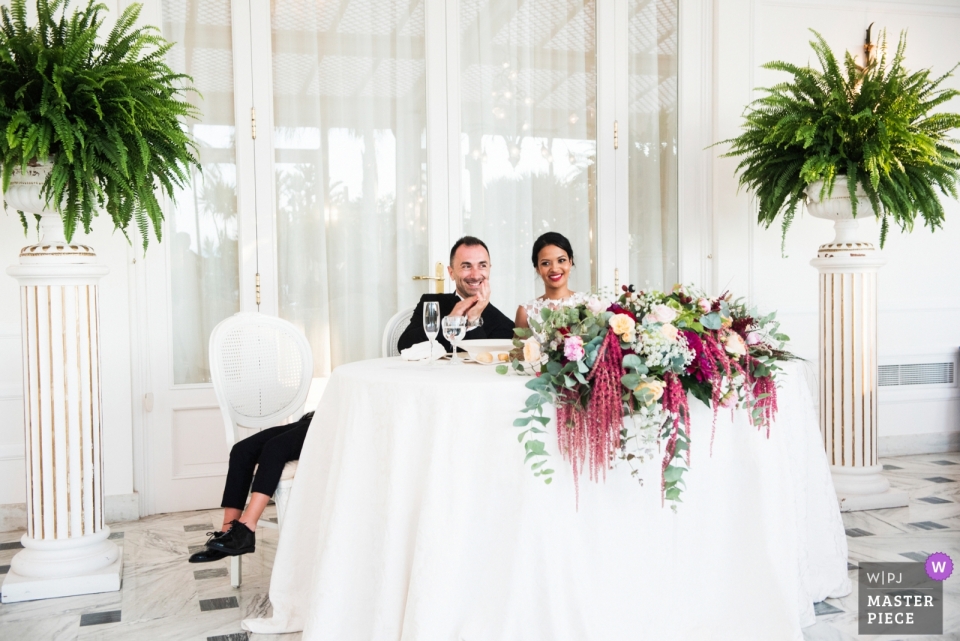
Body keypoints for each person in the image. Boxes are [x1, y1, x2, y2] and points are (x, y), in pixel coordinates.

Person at [188, 411, 314, 563]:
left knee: (275, 448)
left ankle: (246, 529)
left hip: (334, 425)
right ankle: (227, 532)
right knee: (241, 450)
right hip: (316, 417)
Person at [397, 236, 514, 352]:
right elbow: (404, 346)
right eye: (466, 266)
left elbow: (483, 363)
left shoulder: (504, 324)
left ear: (489, 269)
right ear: (451, 273)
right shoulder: (431, 303)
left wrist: (473, 321)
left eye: (482, 266)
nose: (475, 275)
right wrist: (450, 321)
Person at [515, 231, 589, 328]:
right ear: (537, 268)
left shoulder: (588, 305)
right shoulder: (525, 312)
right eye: (546, 263)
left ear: (570, 262)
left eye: (561, 260)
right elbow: (522, 343)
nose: (554, 269)